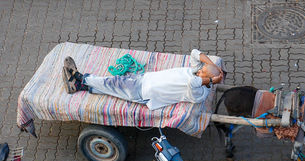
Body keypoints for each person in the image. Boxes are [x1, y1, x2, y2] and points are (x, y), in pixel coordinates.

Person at [62, 49, 224, 110]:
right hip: (144, 79)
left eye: (203, 71)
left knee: (113, 83)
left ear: (207, 79)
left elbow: (192, 83)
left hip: (143, 91)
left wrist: (212, 81)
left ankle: (80, 77)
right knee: (114, 88)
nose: (200, 69)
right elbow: (195, 53)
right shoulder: (197, 73)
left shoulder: (199, 92)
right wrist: (212, 67)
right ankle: (80, 87)